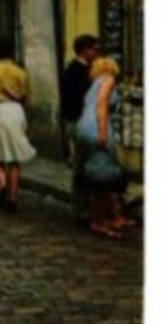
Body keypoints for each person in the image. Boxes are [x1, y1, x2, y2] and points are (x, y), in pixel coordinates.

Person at [75, 56, 132, 239]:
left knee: (98, 174)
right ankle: (99, 220)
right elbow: (101, 106)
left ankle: (113, 216)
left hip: (83, 127)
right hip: (96, 128)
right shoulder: (108, 79)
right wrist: (102, 132)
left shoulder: (94, 83)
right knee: (103, 178)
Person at [0, 37, 36, 213]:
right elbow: (28, 98)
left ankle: (3, 184)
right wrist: (28, 120)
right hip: (16, 109)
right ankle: (13, 196)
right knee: (15, 157)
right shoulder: (21, 72)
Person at [61, 33, 101, 223]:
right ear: (85, 50)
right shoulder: (76, 71)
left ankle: (87, 205)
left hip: (81, 121)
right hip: (79, 122)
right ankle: (81, 207)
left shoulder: (80, 69)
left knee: (85, 163)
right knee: (81, 164)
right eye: (94, 49)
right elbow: (75, 101)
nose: (96, 53)